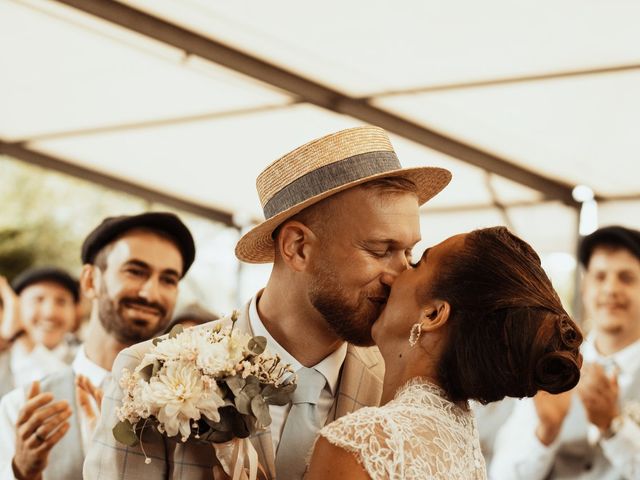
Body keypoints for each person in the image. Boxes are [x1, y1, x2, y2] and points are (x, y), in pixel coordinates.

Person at [83, 125, 452, 480]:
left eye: (408, 252)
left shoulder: (406, 390)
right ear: (298, 247)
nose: (401, 275)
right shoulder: (153, 372)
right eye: (380, 250)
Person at [306, 226, 583, 480]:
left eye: (416, 264)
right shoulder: (462, 442)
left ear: (433, 314)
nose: (393, 276)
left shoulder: (360, 445)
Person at [0, 212, 196, 480]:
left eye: (168, 280)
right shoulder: (20, 406)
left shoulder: (195, 408)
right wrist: (22, 471)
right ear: (91, 281)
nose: (150, 293)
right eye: (135, 271)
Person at [490, 225, 640, 480]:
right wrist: (547, 431)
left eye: (626, 278)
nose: (610, 289)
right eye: (600, 276)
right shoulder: (552, 366)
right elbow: (502, 475)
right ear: (584, 288)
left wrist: (613, 428)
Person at [0, 267, 79, 397]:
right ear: (17, 306)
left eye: (61, 302)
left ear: (75, 311)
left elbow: (71, 391)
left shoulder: (85, 360)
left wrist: (21, 335)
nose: (50, 313)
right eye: (38, 300)